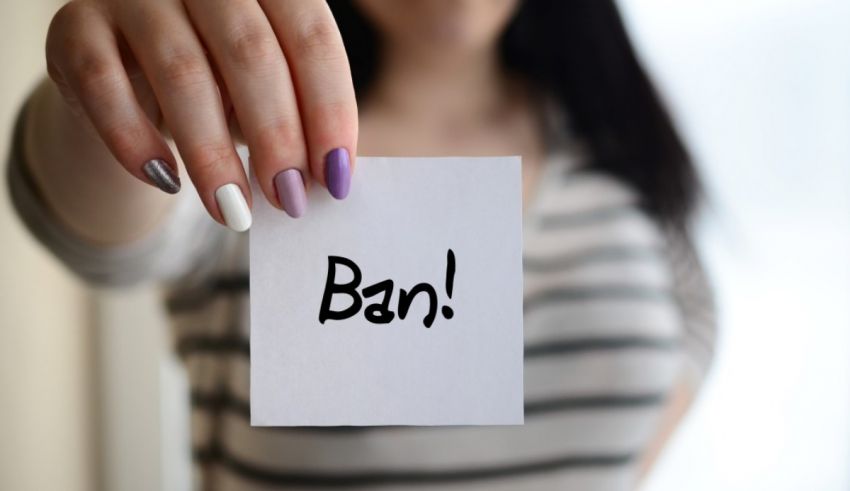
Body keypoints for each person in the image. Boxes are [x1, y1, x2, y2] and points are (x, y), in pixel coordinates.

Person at [7, 0, 716, 489]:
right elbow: (88, 223)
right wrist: (112, 85)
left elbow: (694, 319)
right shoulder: (240, 141)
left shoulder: (615, 137)